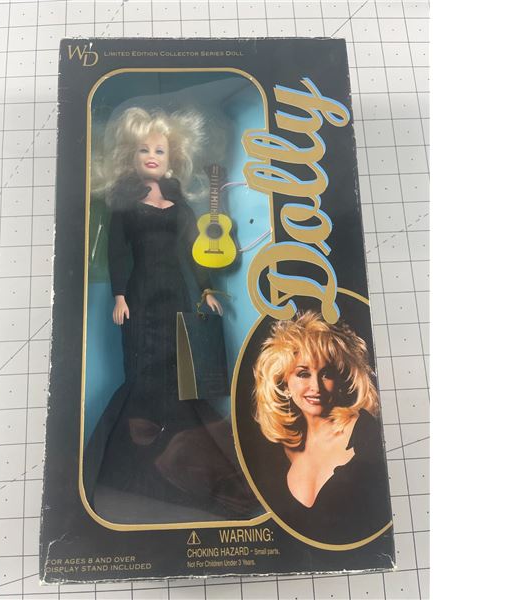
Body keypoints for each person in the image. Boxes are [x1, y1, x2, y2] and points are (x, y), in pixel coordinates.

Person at [87, 107, 257, 522]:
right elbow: (117, 252)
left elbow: (195, 250)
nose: (151, 156)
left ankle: (187, 460)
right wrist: (120, 296)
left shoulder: (179, 202)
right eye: (144, 150)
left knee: (180, 370)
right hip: (141, 295)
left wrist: (206, 289)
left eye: (159, 150)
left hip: (176, 295)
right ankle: (129, 466)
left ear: (172, 157)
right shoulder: (125, 205)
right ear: (131, 155)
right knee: (143, 371)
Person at [252, 311, 392, 545]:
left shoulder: (366, 433)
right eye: (303, 374)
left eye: (326, 374)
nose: (315, 387)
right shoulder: (278, 452)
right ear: (284, 384)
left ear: (339, 381)